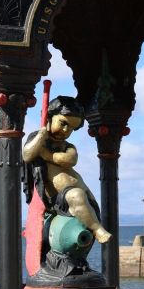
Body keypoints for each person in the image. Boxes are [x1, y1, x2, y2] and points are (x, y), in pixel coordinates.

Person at [23, 96, 111, 244]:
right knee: (76, 195)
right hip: (61, 196)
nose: (65, 130)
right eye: (63, 123)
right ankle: (97, 229)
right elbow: (27, 155)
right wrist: (41, 136)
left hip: (81, 189)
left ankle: (93, 223)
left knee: (85, 201)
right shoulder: (38, 141)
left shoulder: (67, 146)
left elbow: (71, 159)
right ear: (49, 117)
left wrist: (48, 155)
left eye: (71, 128)